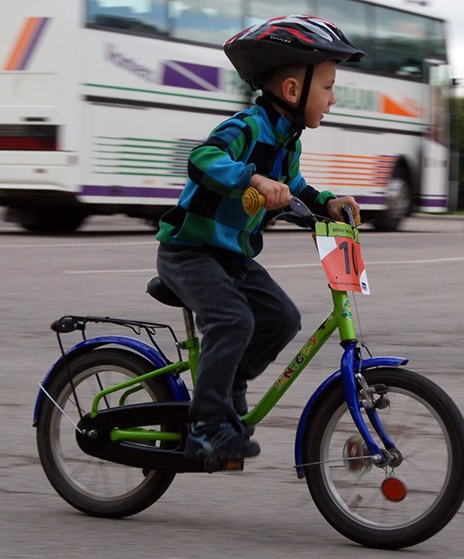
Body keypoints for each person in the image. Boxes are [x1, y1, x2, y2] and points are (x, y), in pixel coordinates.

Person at [155, 15, 364, 462]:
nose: (333, 97)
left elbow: (296, 186)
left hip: (232, 257)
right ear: (292, 90)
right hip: (190, 251)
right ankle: (206, 426)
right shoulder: (247, 127)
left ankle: (227, 386)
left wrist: (325, 203)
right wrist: (251, 179)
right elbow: (202, 158)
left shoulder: (289, 142)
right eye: (327, 86)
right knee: (233, 321)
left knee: (282, 318)